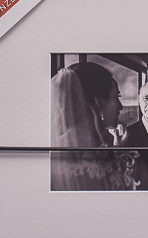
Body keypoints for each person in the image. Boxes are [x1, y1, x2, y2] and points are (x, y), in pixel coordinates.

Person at [50, 62, 140, 190]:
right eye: (116, 97)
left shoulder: (51, 150)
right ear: (98, 104)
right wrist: (117, 155)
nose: (120, 106)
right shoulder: (125, 163)